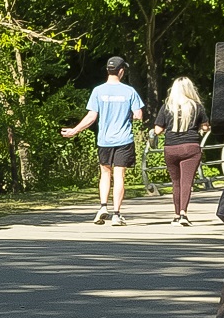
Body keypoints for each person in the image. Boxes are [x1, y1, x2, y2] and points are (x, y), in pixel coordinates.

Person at [59, 55, 145, 225]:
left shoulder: (98, 91)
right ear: (121, 71)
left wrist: (75, 130)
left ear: (108, 70)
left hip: (104, 140)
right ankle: (116, 214)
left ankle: (102, 206)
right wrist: (132, 116)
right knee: (119, 175)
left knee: (105, 174)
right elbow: (138, 115)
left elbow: (91, 116)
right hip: (124, 139)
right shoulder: (129, 91)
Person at [157, 75, 209, 225]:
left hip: (171, 148)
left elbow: (158, 129)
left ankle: (175, 214)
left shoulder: (167, 106)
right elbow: (205, 127)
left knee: (176, 182)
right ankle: (183, 214)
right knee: (187, 182)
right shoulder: (196, 106)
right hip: (191, 147)